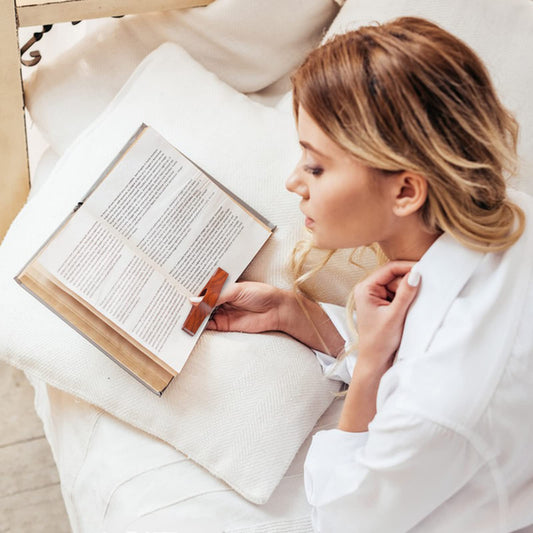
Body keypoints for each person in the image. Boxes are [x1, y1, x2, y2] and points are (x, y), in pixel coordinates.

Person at [207, 17, 533, 532]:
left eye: (315, 166)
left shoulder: (437, 403)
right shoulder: (512, 215)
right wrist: (301, 315)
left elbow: (344, 518)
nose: (294, 182)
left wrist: (365, 374)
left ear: (406, 191)